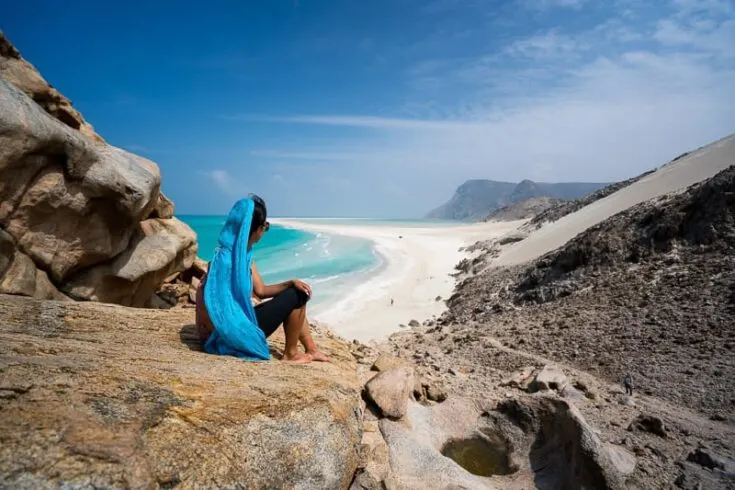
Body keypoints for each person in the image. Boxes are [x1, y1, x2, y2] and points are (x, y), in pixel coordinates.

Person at [195, 194, 329, 363]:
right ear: (255, 229)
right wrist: (230, 336)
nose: (265, 230)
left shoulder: (244, 256)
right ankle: (291, 355)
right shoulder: (224, 261)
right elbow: (218, 308)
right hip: (228, 332)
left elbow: (261, 291)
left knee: (296, 290)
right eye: (265, 225)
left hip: (240, 321)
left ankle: (312, 350)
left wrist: (290, 282)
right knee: (297, 295)